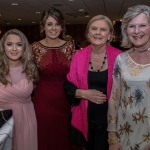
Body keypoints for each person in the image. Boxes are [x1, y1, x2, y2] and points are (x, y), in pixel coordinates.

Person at [64, 15, 122, 150]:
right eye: (94, 28)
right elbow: (68, 85)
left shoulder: (120, 57)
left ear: (109, 35)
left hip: (112, 122)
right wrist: (84, 94)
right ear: (88, 33)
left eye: (103, 29)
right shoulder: (78, 56)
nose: (97, 32)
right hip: (86, 118)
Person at [31, 7, 82, 150]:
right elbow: (28, 73)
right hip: (43, 99)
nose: (53, 28)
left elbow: (77, 74)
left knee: (64, 135)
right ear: (43, 26)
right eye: (49, 24)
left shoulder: (70, 47)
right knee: (45, 134)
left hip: (66, 99)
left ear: (62, 27)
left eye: (57, 24)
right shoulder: (34, 48)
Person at [107, 5, 150, 150]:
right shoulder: (121, 59)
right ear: (126, 30)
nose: (137, 31)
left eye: (142, 25)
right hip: (125, 134)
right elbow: (114, 98)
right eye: (132, 26)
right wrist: (112, 137)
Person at [0, 29, 39, 150]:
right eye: (9, 44)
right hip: (3, 120)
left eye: (19, 44)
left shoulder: (31, 68)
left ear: (24, 47)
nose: (14, 49)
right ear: (3, 47)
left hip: (26, 119)